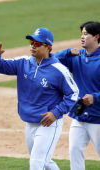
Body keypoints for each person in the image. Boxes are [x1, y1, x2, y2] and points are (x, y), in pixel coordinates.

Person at [0, 28, 79, 170]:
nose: (32, 45)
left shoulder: (58, 69)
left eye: (37, 43)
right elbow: (1, 66)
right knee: (45, 162)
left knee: (36, 163)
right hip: (29, 123)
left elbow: (73, 94)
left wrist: (56, 112)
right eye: (31, 42)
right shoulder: (23, 63)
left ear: (48, 47)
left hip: (48, 124)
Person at [54, 21, 100, 170]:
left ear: (96, 37)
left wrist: (95, 97)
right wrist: (66, 52)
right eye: (82, 33)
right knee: (74, 150)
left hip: (98, 117)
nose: (82, 37)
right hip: (80, 115)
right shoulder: (76, 56)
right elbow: (52, 61)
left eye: (86, 34)